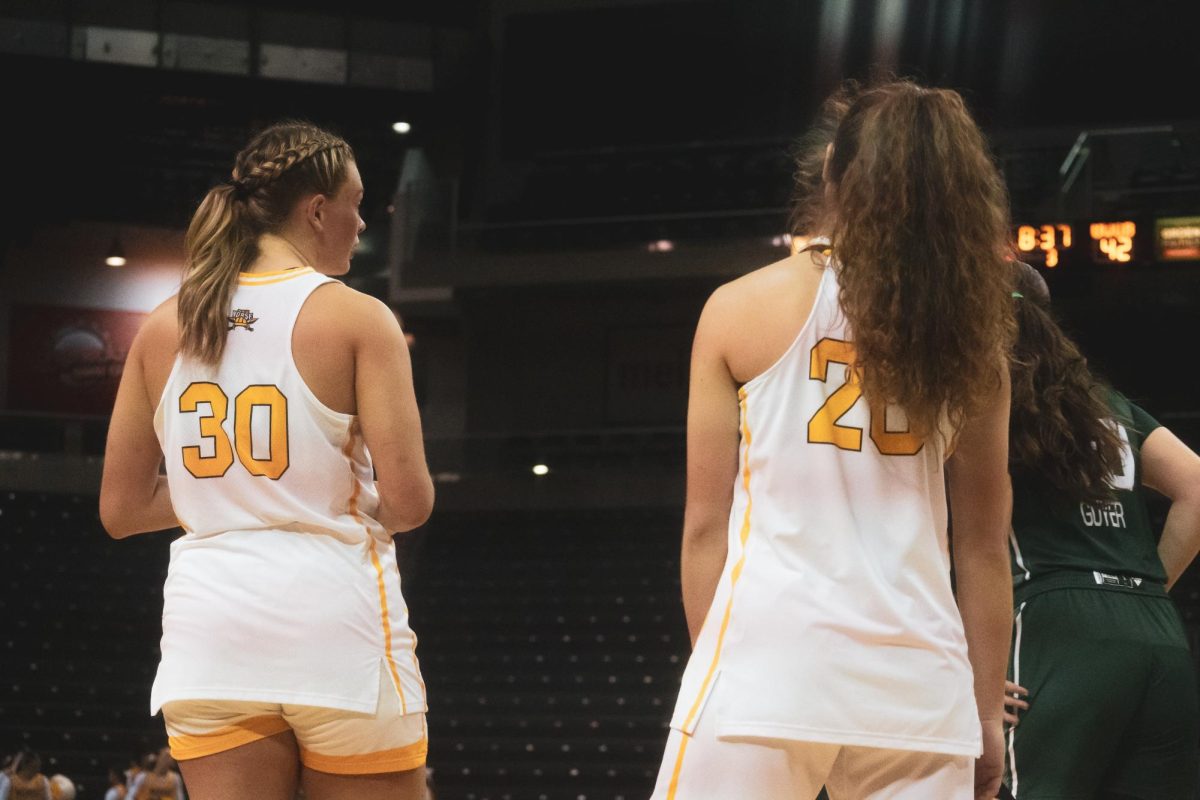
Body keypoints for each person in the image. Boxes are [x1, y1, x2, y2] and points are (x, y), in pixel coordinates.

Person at [651, 80, 1015, 800]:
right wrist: (983, 715)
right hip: (918, 688)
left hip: (771, 664)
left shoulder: (739, 308)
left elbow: (704, 530)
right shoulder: (977, 343)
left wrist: (725, 679)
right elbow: (982, 551)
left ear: (830, 176)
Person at [99, 120, 434, 800]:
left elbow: (123, 509)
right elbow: (410, 501)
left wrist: (231, 490)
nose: (362, 221)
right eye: (357, 202)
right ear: (317, 209)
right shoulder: (357, 318)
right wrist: (309, 485)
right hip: (333, 629)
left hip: (212, 640)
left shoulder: (164, 325)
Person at [1001, 263, 1200, 799]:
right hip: (1158, 633)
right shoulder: (1106, 403)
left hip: (1056, 627)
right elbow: (1198, 488)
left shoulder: (983, 390)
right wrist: (1148, 590)